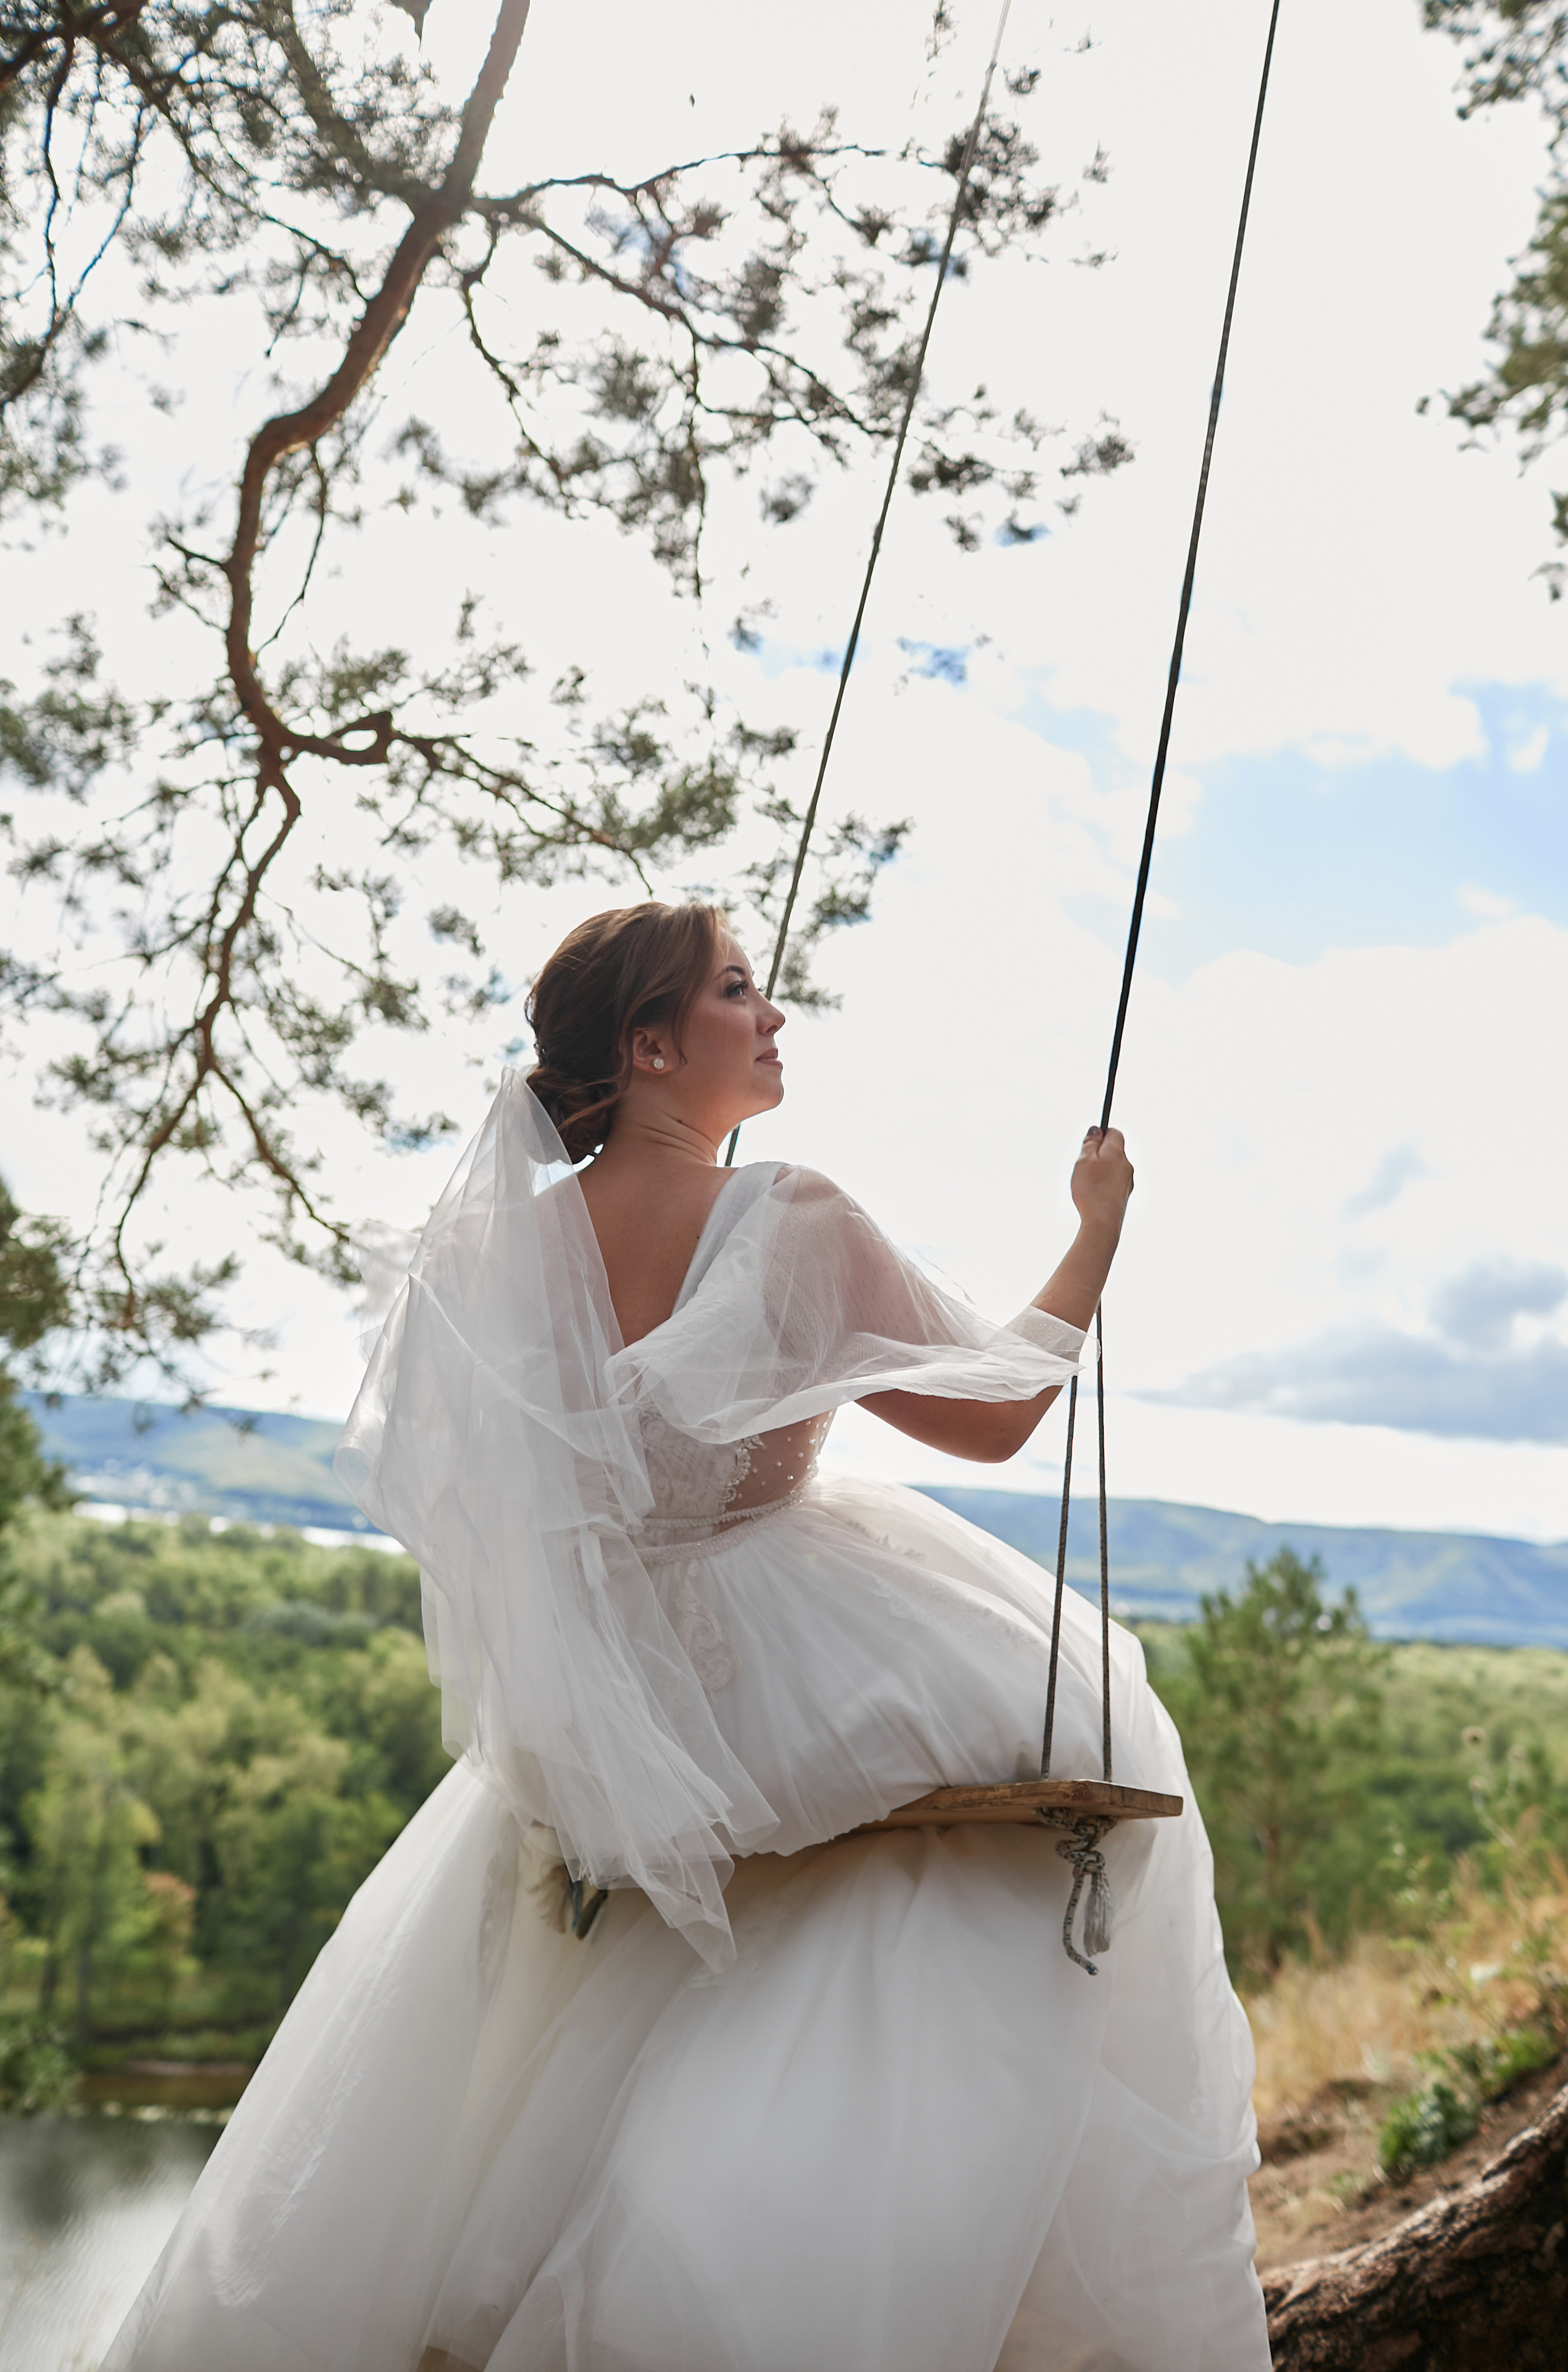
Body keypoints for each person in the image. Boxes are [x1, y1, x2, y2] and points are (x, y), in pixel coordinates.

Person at [107, 900, 1270, 2372]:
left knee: (548, 2020)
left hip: (605, 1700)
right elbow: (992, 1415)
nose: (770, 1015)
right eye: (736, 993)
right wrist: (1092, 1232)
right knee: (1076, 1746)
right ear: (651, 1048)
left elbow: (471, 1501)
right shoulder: (787, 1218)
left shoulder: (489, 1254)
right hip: (799, 1644)